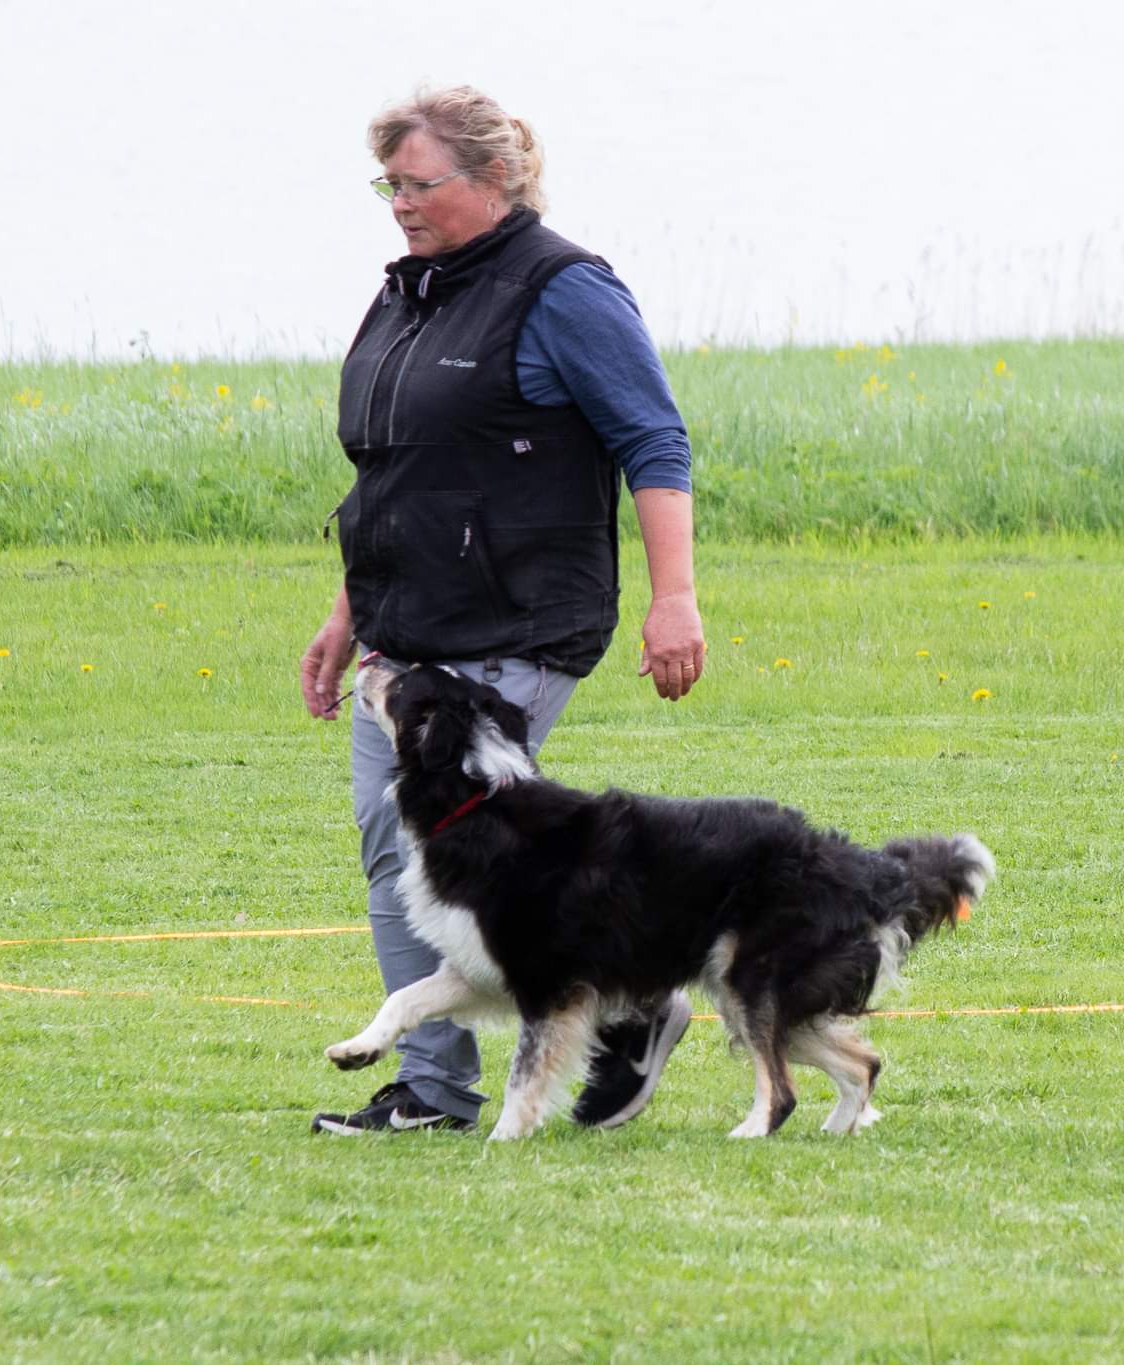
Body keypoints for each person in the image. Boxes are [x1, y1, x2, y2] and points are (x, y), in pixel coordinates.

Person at [302, 85, 707, 1135]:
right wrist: (347, 613)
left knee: (463, 850)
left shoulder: (564, 291)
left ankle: (518, 1052)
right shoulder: (407, 294)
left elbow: (653, 440)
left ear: (492, 178)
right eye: (388, 186)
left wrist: (674, 598)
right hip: (404, 631)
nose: (399, 204)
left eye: (417, 184)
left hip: (512, 624)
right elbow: (391, 474)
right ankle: (567, 1033)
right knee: (397, 845)